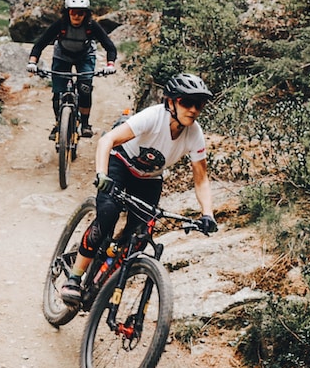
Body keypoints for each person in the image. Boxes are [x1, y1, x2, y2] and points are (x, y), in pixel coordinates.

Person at [60, 72, 220, 304]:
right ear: (171, 101)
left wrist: (207, 214)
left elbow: (201, 179)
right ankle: (74, 278)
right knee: (108, 215)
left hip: (150, 179)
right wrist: (102, 174)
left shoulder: (195, 134)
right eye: (186, 102)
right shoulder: (153, 117)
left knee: (139, 238)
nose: (193, 109)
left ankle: (101, 284)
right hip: (120, 165)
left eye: (199, 104)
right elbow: (107, 140)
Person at [27, 0, 118, 138]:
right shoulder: (60, 24)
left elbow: (109, 46)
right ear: (67, 12)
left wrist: (110, 65)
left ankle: (85, 124)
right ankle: (59, 124)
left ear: (86, 14)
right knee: (58, 92)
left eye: (80, 13)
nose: (76, 16)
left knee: (85, 88)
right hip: (62, 55)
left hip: (85, 56)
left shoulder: (91, 25)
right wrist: (32, 62)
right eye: (73, 12)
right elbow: (40, 44)